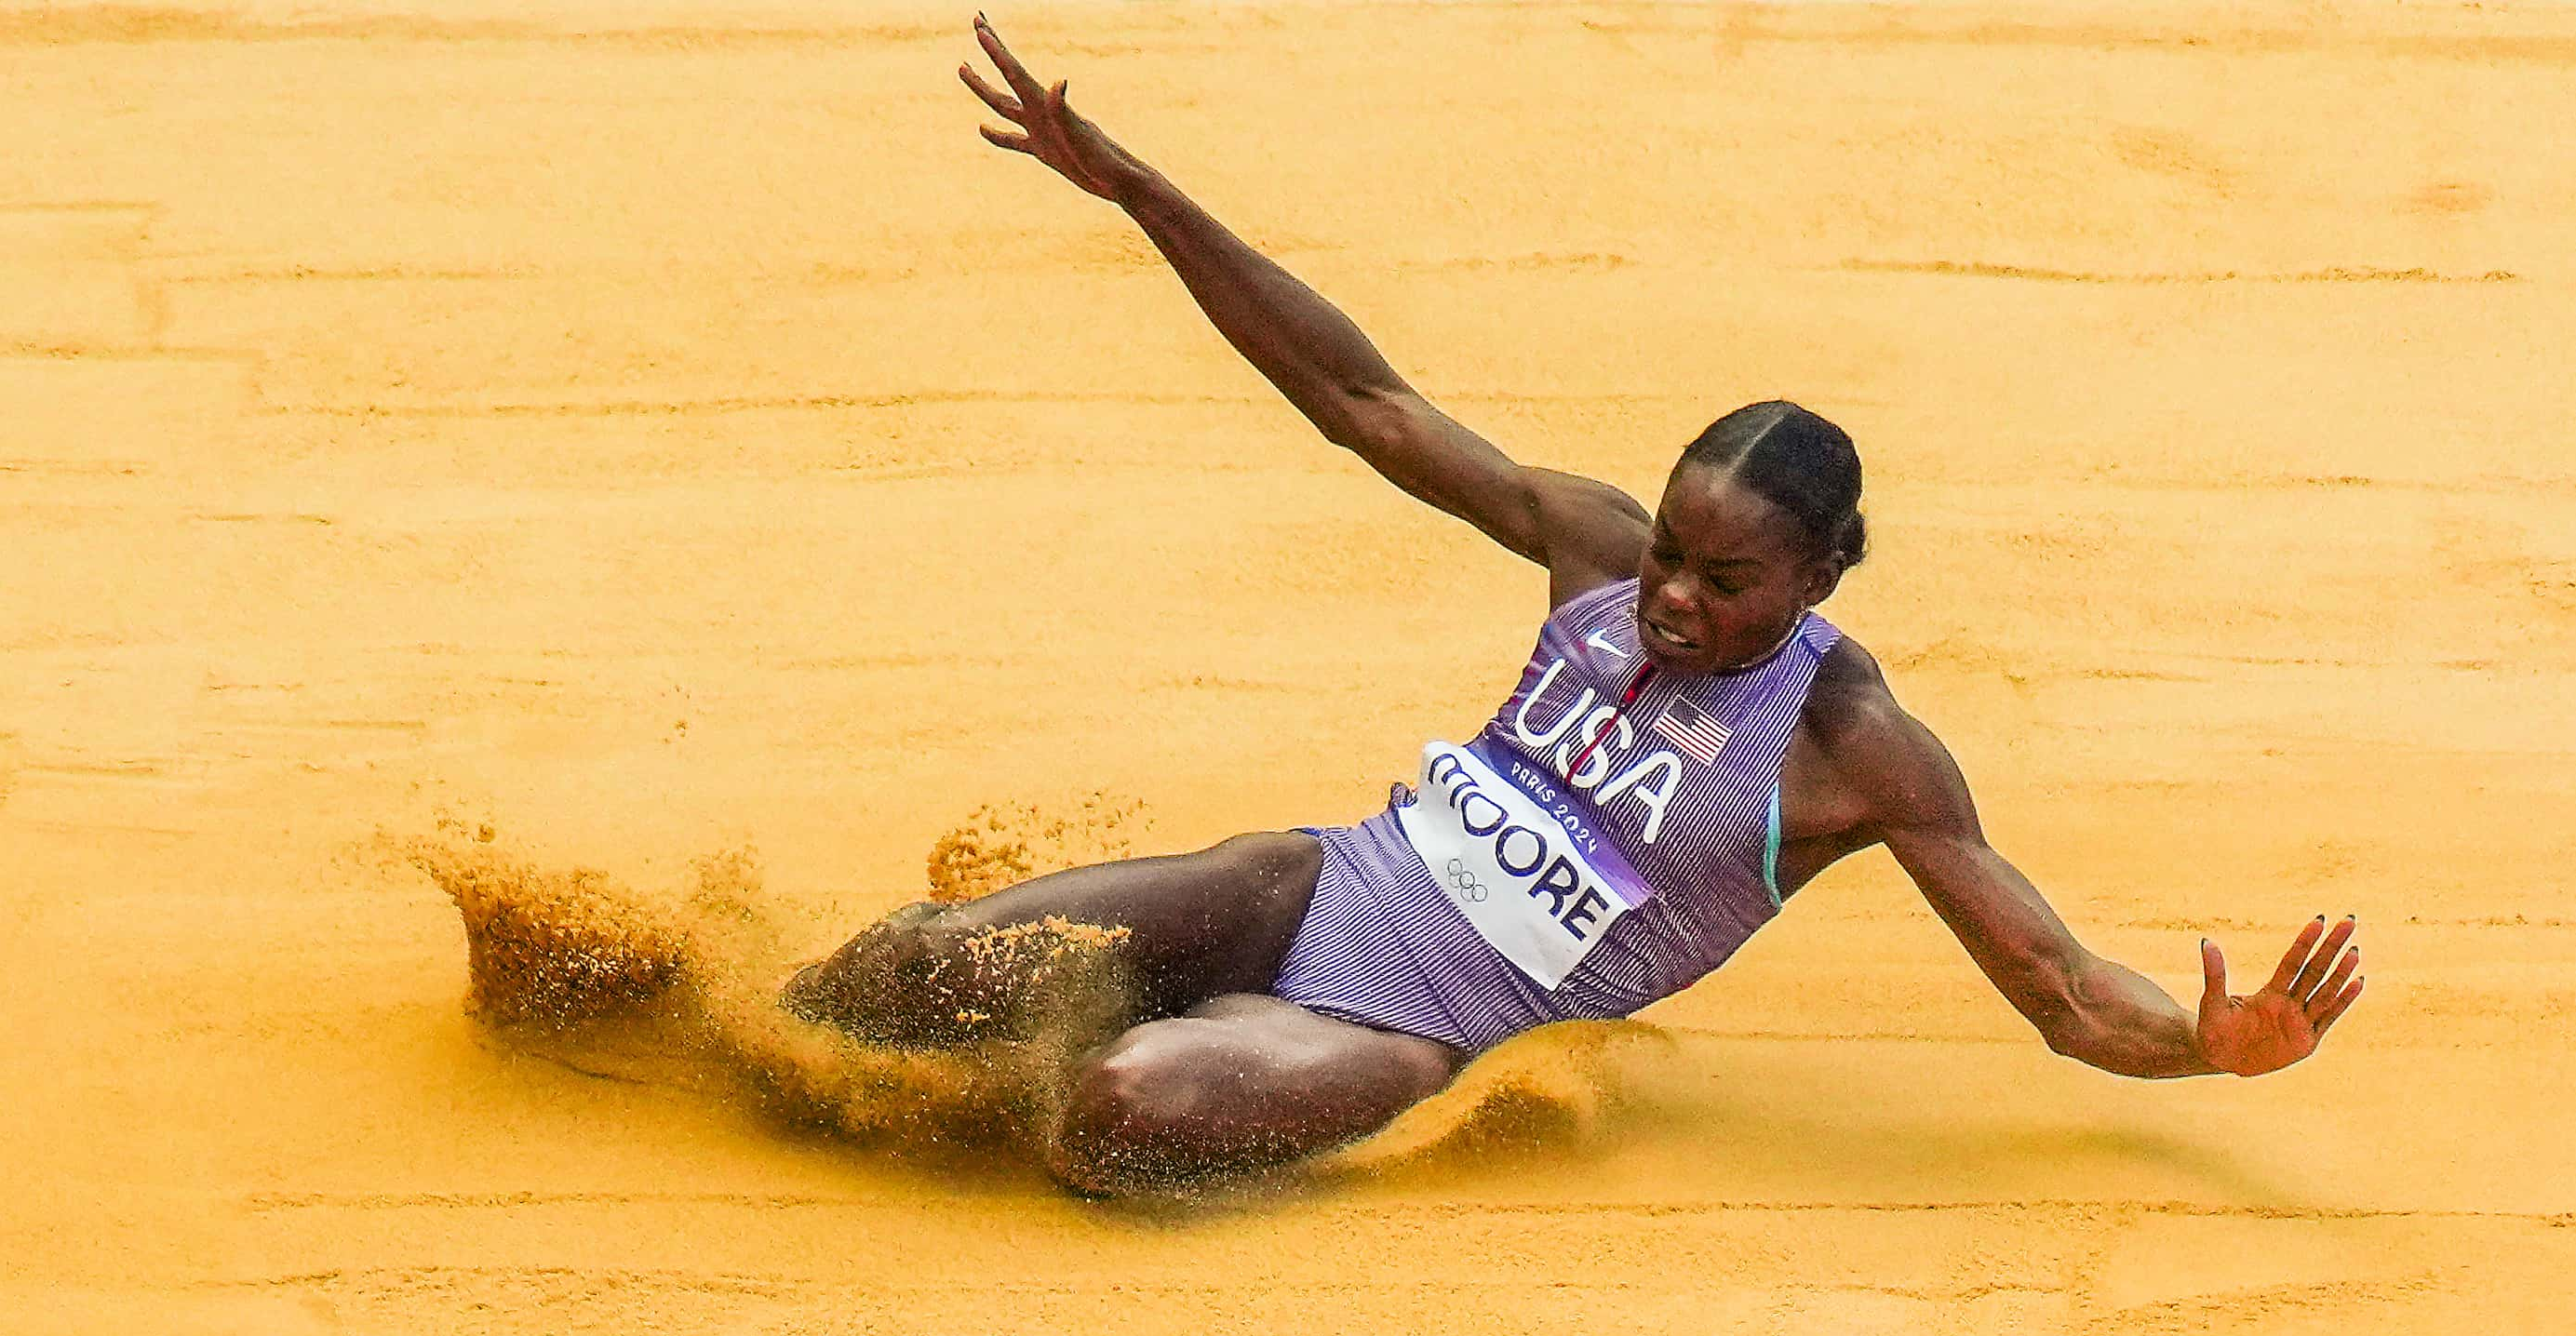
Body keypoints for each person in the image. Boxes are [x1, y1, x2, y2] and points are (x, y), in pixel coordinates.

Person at [779, 14, 2365, 1196]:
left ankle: (1146, 1046)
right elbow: (1366, 401)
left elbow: (2068, 992)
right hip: (1312, 884)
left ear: (1821, 579)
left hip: (1412, 1026)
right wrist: (1138, 192)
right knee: (909, 970)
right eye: (1671, 549)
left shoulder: (1856, 753)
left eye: (1725, 580)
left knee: (1116, 1114)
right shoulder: (1599, 553)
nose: (1671, 596)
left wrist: (2201, 1051)